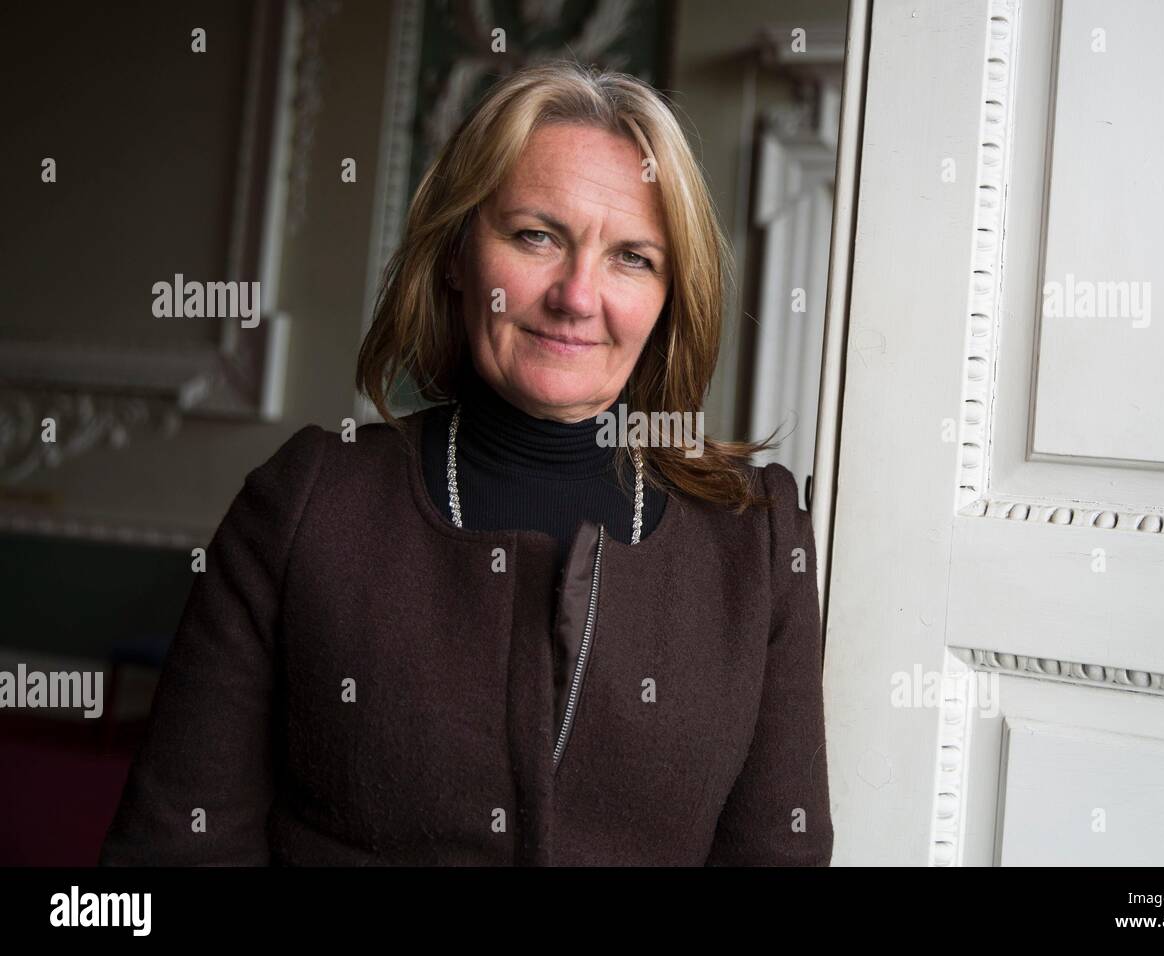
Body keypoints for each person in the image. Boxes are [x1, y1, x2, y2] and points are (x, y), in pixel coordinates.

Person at [99, 59, 833, 866]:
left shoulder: (755, 537)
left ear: (668, 299)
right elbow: (173, 851)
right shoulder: (309, 500)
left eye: (632, 257)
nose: (577, 296)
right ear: (457, 254)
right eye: (536, 236)